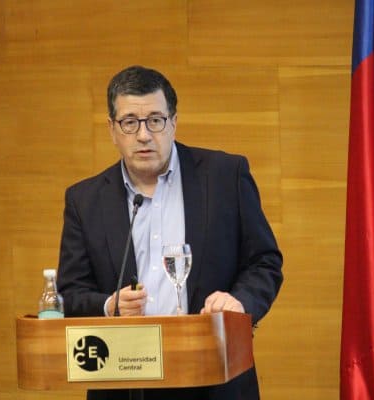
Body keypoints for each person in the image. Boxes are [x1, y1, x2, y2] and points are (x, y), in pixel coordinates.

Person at [57, 65, 283, 400]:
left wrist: (238, 303)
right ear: (112, 130)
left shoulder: (225, 176)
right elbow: (70, 292)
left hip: (214, 378)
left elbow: (264, 262)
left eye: (155, 120)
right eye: (130, 122)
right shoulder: (85, 200)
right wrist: (108, 305)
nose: (143, 135)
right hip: (125, 381)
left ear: (174, 122)